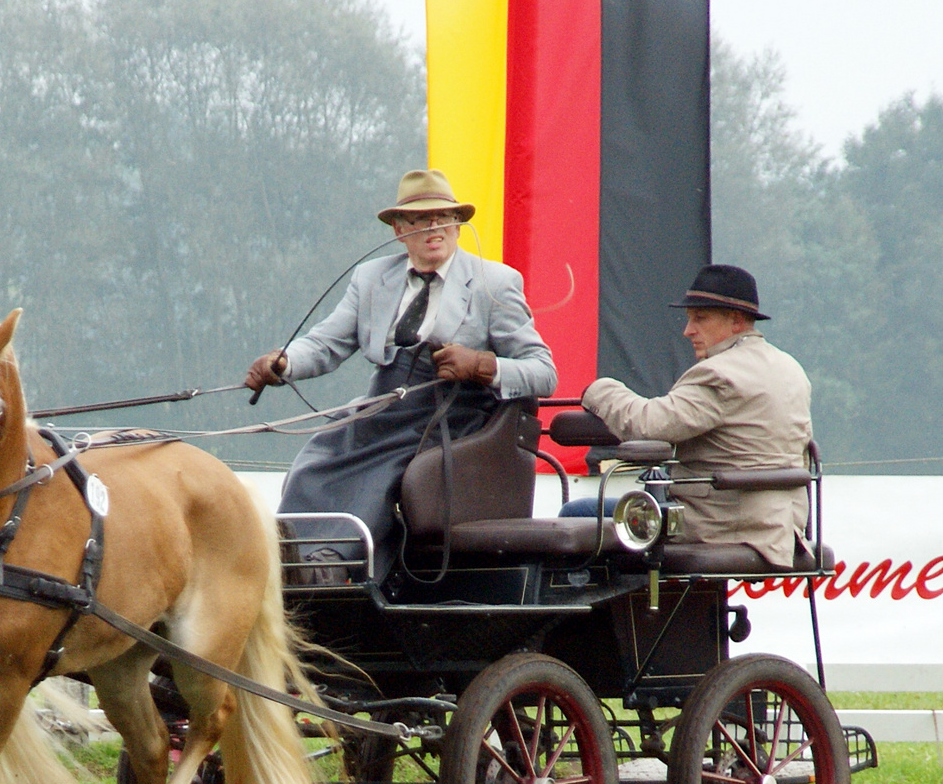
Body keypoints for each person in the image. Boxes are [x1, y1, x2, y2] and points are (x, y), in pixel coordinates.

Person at [245, 169, 557, 582]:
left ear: (458, 225)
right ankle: (294, 557)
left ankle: (338, 562)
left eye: (443, 218)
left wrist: (481, 365)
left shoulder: (495, 283)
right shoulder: (372, 278)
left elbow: (543, 371)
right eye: (419, 220)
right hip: (384, 406)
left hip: (454, 416)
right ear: (398, 229)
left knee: (387, 469)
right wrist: (284, 363)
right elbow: (327, 343)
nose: (434, 228)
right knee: (316, 458)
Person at [580, 264, 812, 568]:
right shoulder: (790, 368)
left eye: (700, 319)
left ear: (737, 321)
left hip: (720, 524)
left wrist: (600, 390)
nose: (687, 330)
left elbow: (648, 425)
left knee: (581, 513)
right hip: (783, 526)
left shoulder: (719, 373)